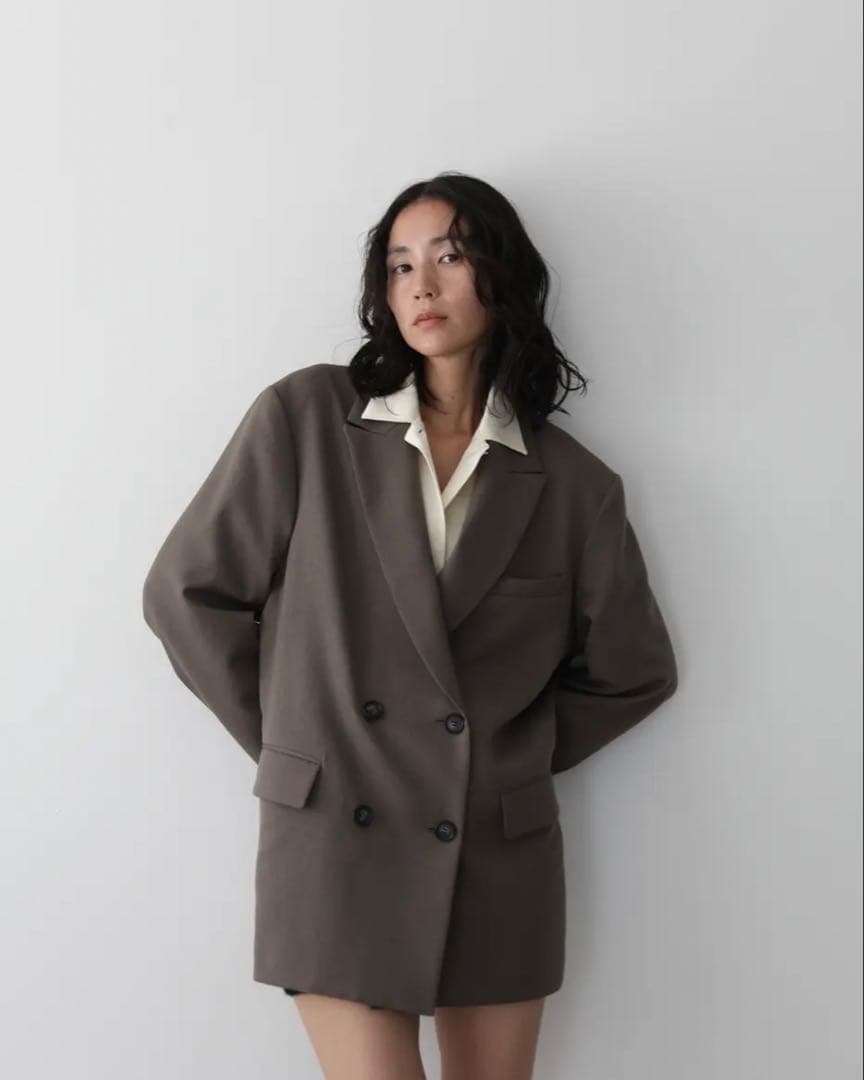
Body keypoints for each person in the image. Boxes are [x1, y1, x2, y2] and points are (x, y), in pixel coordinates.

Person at [142, 171, 678, 1080]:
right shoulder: (308, 420)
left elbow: (634, 670)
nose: (421, 284)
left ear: (502, 276)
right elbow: (184, 594)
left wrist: (494, 754)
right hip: (336, 842)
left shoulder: (574, 484)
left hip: (493, 854)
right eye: (398, 266)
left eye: (449, 256)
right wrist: (300, 746)